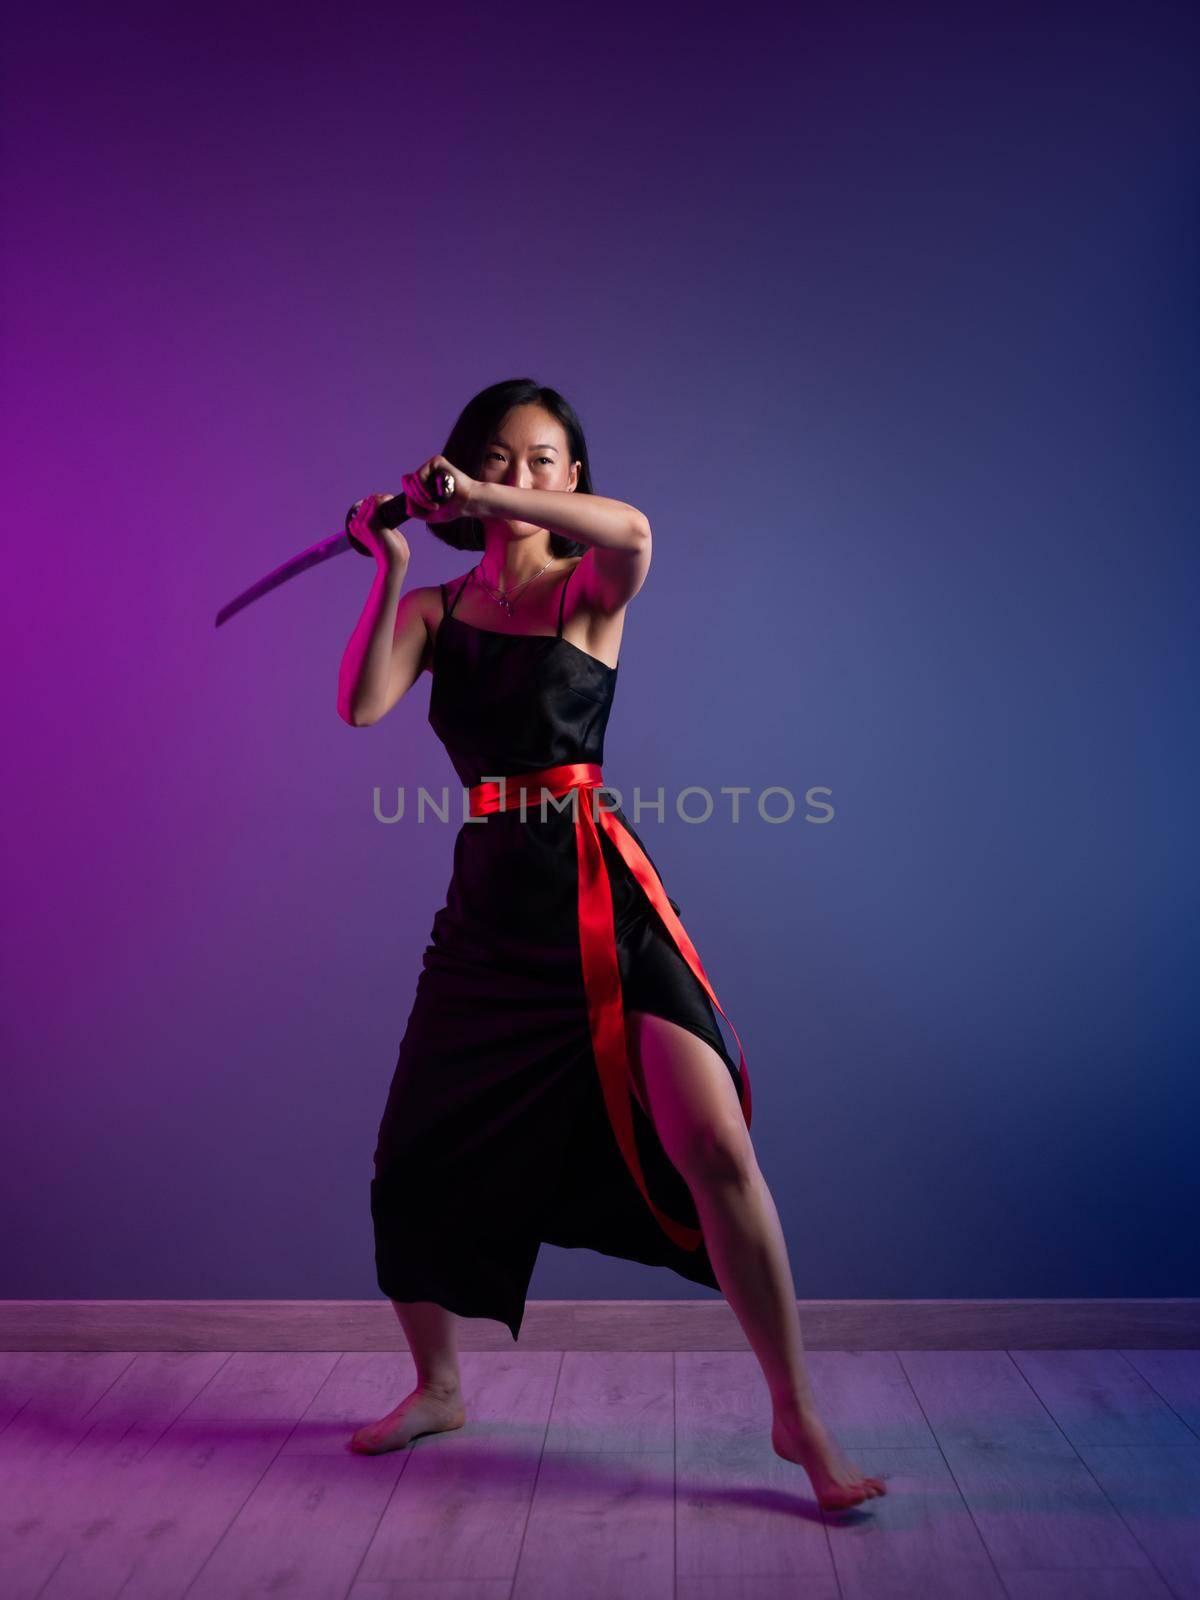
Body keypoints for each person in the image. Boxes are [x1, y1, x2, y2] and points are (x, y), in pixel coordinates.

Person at [337, 377, 886, 1511]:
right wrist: (392, 564)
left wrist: (476, 492)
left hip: (597, 894)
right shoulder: (440, 611)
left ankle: (796, 1414)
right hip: (489, 914)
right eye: (499, 457)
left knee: (717, 1144)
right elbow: (360, 704)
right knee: (411, 1160)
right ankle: (438, 1386)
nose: (525, 477)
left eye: (545, 461)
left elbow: (637, 529)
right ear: (454, 467)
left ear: (569, 477)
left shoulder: (589, 586)